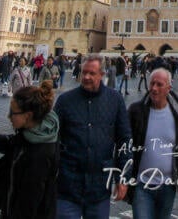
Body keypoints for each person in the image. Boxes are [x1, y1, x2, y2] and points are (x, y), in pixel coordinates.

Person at [53, 54, 132, 219]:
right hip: (68, 186)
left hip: (99, 187)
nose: (86, 77)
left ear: (102, 74)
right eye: (84, 72)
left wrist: (123, 177)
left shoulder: (115, 100)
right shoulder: (65, 101)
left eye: (92, 73)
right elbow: (51, 138)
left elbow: (125, 140)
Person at [126, 68, 178, 218]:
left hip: (168, 186)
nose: (154, 88)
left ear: (169, 88)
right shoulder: (136, 111)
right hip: (141, 183)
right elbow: (123, 145)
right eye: (152, 83)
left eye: (159, 84)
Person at [0, 80, 59, 219]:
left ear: (28, 115)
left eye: (13, 113)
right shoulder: (35, 132)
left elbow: (28, 204)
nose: (9, 116)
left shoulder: (39, 154)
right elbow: (14, 143)